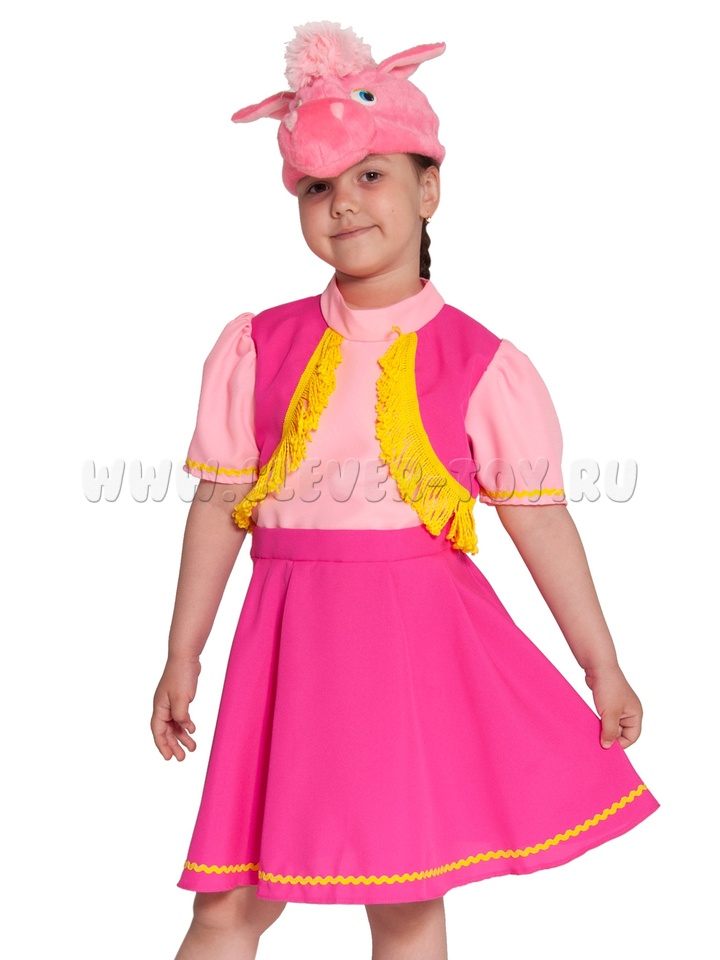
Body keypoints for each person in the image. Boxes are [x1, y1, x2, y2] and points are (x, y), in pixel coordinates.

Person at [151, 22, 658, 960]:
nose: (343, 203)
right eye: (317, 186)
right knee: (228, 905)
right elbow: (219, 509)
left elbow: (541, 523)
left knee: (406, 904)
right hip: (285, 649)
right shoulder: (258, 347)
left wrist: (602, 664)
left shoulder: (481, 364)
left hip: (414, 658)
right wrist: (184, 653)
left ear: (429, 189)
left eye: (371, 175)